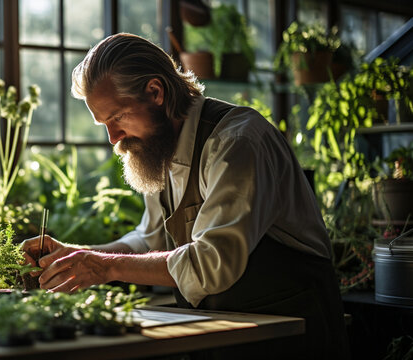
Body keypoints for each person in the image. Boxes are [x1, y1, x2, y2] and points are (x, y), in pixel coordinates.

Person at [22, 33, 349, 359]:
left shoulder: (236, 142)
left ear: (155, 92)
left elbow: (212, 263)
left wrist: (103, 267)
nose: (113, 138)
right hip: (229, 334)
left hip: (294, 337)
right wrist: (77, 257)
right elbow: (149, 241)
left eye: (118, 117)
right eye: (103, 124)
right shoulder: (158, 147)